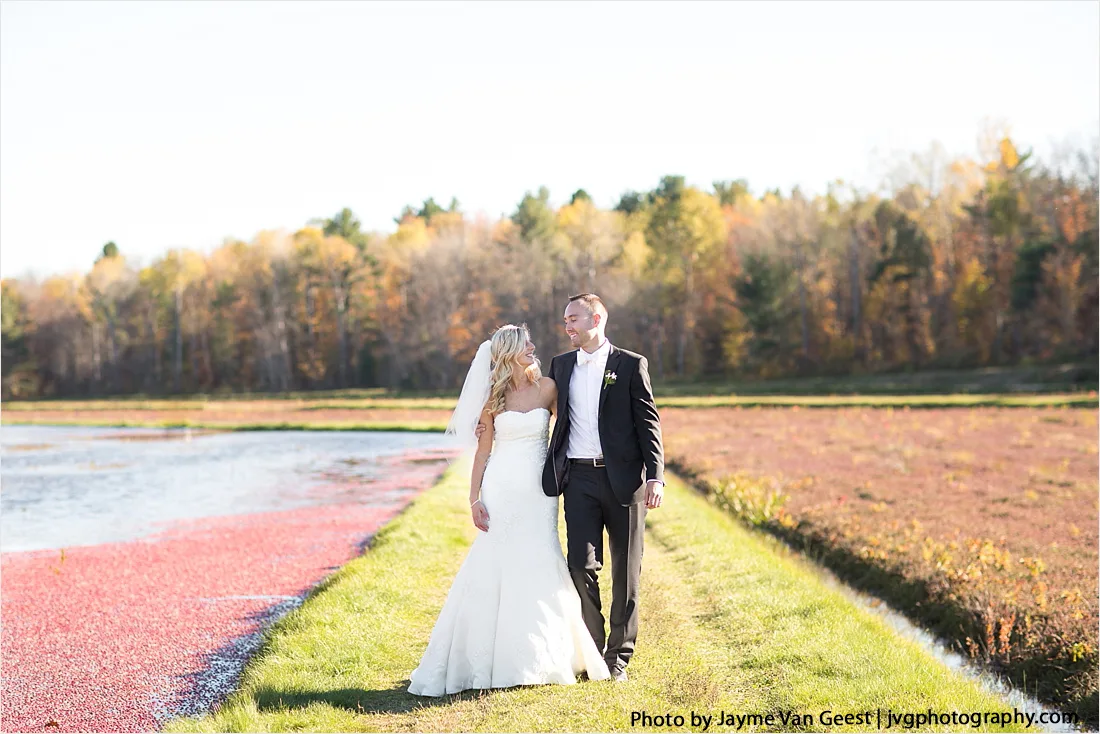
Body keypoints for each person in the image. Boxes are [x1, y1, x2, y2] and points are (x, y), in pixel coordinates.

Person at [407, 324, 610, 697]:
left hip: (539, 491)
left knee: (541, 556)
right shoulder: (493, 397)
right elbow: (483, 452)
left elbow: (572, 427)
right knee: (496, 560)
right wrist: (474, 498)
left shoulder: (548, 388)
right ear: (509, 352)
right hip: (501, 487)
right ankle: (489, 656)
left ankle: (548, 653)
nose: (533, 347)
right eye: (526, 343)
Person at [539, 292, 665, 683]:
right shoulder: (560, 366)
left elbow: (648, 422)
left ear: (596, 320)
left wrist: (655, 475)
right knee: (580, 565)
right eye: (565, 320)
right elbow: (537, 404)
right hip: (577, 479)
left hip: (624, 481)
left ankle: (618, 658)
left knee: (626, 573)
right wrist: (491, 420)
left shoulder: (630, 364)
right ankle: (592, 649)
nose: (567, 326)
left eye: (573, 319)